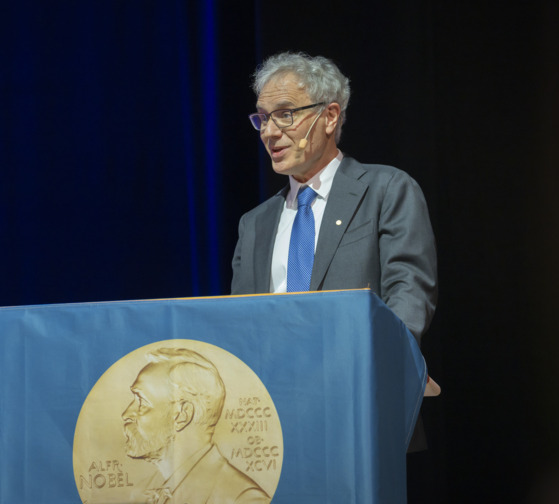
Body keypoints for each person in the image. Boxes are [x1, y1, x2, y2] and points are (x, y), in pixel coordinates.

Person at [231, 52, 437, 342]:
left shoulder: (386, 190)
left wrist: (381, 357)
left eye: (285, 114)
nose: (269, 132)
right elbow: (239, 321)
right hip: (276, 382)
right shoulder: (253, 224)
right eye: (263, 118)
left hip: (357, 376)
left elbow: (408, 295)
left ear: (329, 117)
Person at [122, 348, 270, 504]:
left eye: (142, 402)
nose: (125, 414)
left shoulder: (244, 499)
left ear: (182, 415)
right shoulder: (142, 492)